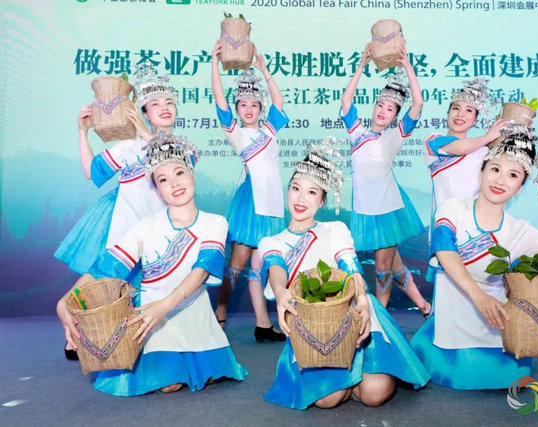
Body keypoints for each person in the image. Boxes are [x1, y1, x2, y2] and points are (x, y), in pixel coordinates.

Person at [56, 132, 247, 396]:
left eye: (179, 173)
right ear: (156, 188)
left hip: (190, 310)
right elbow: (106, 267)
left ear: (192, 174)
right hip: (151, 316)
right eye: (163, 179)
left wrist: (165, 306)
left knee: (208, 376)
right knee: (169, 385)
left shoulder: (215, 223)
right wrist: (65, 301)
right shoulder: (145, 227)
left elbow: (202, 270)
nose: (174, 184)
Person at [411, 131, 538, 389]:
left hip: (495, 325)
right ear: (481, 172)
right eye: (495, 169)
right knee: (459, 373)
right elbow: (444, 251)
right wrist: (479, 297)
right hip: (451, 324)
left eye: (513, 175)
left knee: (507, 377)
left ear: (520, 186)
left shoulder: (519, 230)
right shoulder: (452, 208)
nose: (500, 180)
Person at [258, 141, 430, 409]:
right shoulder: (271, 242)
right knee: (327, 400)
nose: (301, 199)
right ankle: (347, 382)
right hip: (314, 327)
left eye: (312, 192)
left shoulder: (335, 230)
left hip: (352, 313)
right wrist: (281, 294)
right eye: (296, 188)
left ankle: (360, 376)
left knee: (374, 395)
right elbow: (276, 269)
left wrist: (362, 301)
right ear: (287, 190)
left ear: (322, 200)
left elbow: (351, 268)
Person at [55, 63, 178, 359]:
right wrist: (82, 132)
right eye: (155, 104)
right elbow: (92, 172)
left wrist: (145, 133)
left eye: (169, 103)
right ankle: (81, 335)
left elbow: (169, 162)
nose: (164, 108)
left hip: (161, 234)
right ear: (142, 112)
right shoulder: (128, 147)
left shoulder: (180, 146)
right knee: (104, 288)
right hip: (126, 231)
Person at [340, 42, 430, 316]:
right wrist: (361, 66)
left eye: (390, 109)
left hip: (388, 209)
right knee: (394, 266)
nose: (382, 110)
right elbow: (346, 102)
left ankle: (379, 318)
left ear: (395, 117)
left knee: (382, 266)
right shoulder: (356, 132)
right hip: (366, 210)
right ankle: (425, 306)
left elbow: (418, 104)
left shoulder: (393, 137)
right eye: (380, 104)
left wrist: (408, 66)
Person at [211, 41, 288, 341]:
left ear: (260, 108)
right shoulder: (237, 133)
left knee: (260, 265)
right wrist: (214, 65)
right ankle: (219, 311)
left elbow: (279, 102)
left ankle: (262, 324)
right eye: (242, 105)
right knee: (238, 264)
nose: (248, 109)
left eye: (254, 105)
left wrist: (265, 71)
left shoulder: (269, 130)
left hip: (272, 203)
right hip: (250, 202)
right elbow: (220, 102)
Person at [424, 78, 506, 282]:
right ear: (448, 114)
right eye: (456, 108)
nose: (460, 114)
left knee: (481, 289)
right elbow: (461, 147)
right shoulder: (433, 141)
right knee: (446, 290)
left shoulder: (484, 151)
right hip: (446, 226)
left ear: (475, 119)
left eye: (469, 110)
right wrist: (488, 136)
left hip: (476, 227)